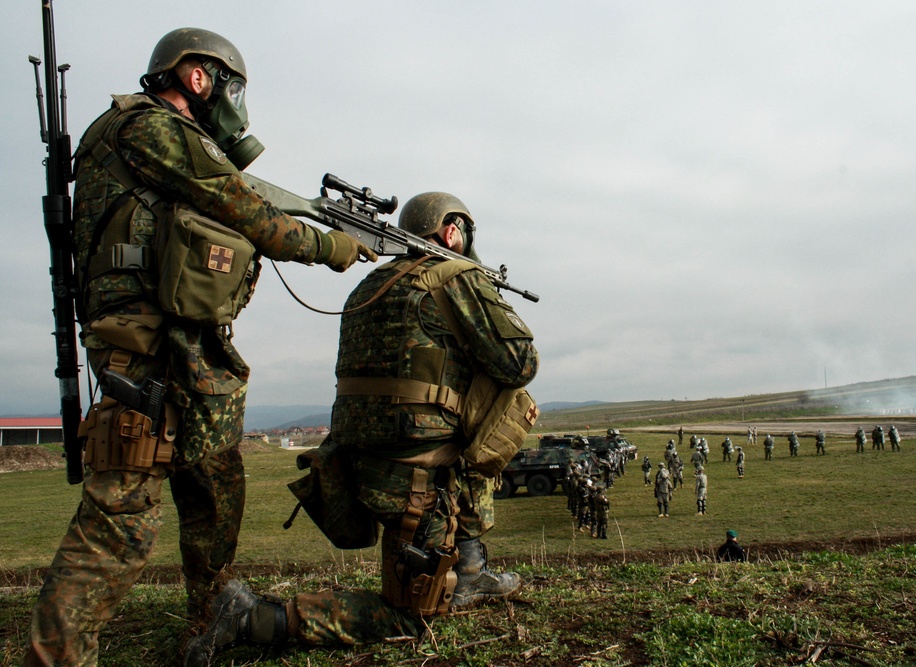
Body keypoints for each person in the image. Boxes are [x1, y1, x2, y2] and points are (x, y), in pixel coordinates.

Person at [24, 28, 376, 666]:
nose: (235, 102)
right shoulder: (149, 128)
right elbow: (245, 209)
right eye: (231, 86)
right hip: (145, 355)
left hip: (174, 350)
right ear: (197, 77)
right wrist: (333, 245)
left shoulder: (135, 138)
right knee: (121, 524)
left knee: (215, 481)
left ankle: (210, 615)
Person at [185, 191, 538, 662]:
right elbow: (519, 364)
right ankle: (253, 618)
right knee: (410, 618)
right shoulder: (458, 277)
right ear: (452, 231)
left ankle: (469, 570)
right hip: (417, 481)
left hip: (359, 466)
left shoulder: (371, 284)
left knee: (465, 419)